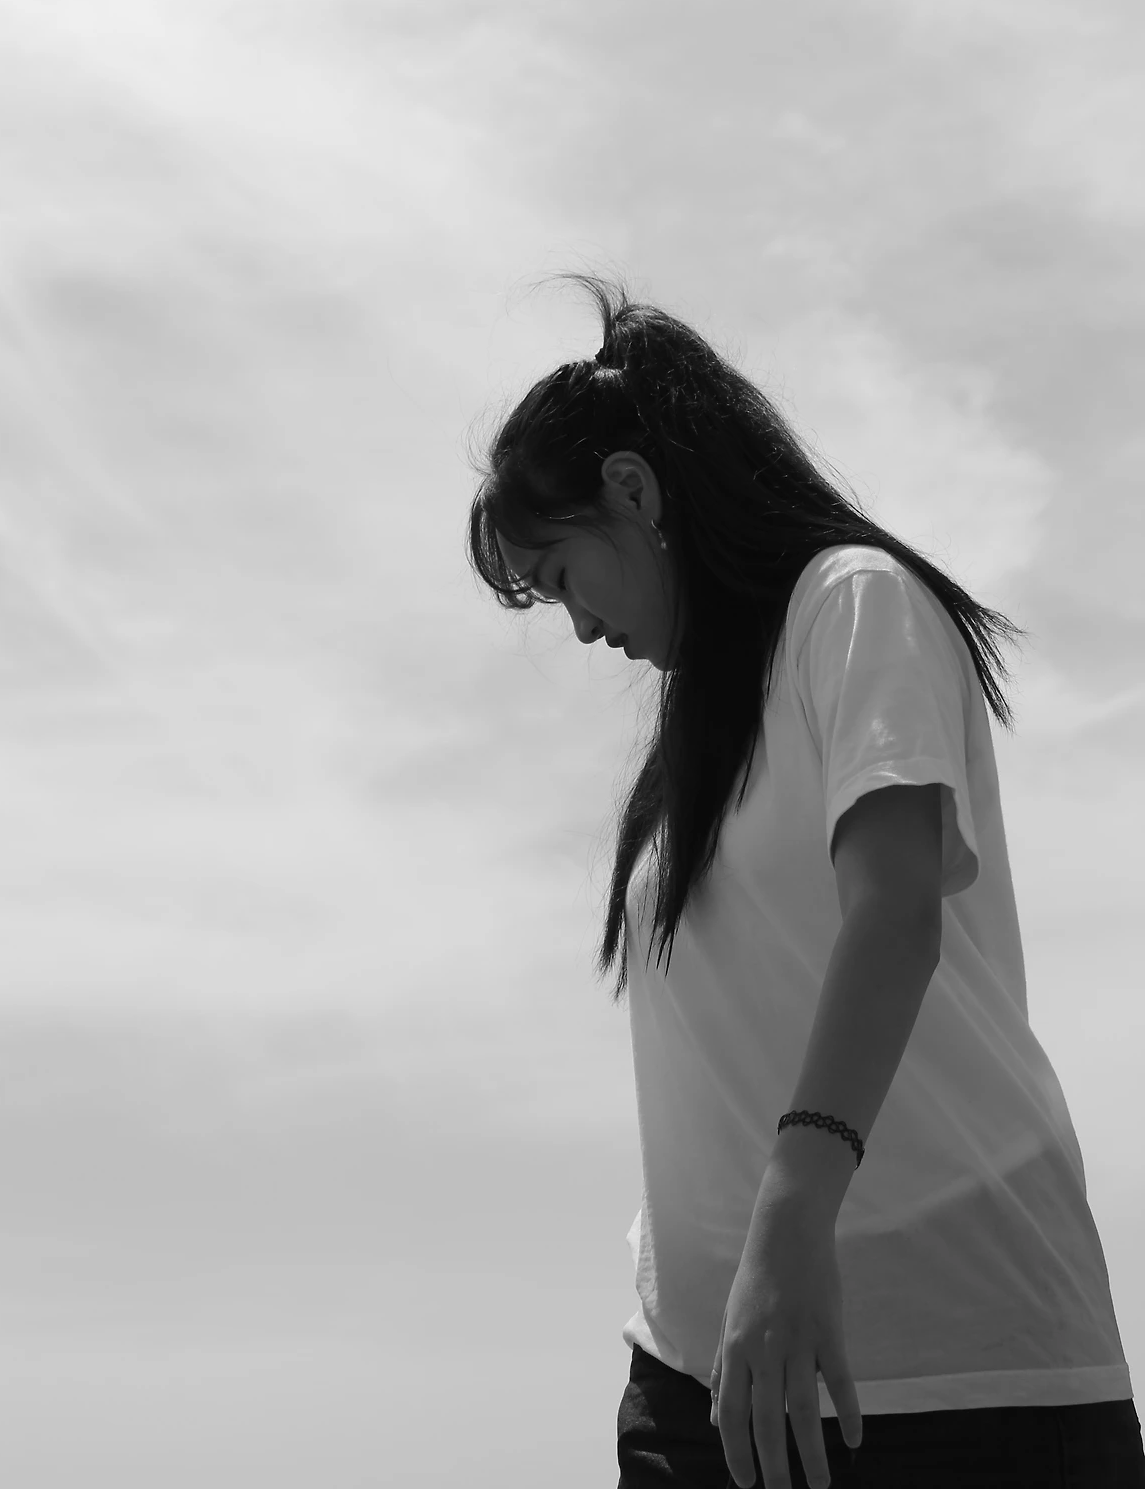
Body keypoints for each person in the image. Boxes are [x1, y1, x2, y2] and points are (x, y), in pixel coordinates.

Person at [466, 273, 1144, 1489]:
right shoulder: (695, 735)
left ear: (632, 491)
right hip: (700, 1384)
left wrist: (787, 1225)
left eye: (561, 575)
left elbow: (894, 913)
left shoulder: (852, 603)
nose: (577, 628)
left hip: (959, 1374)